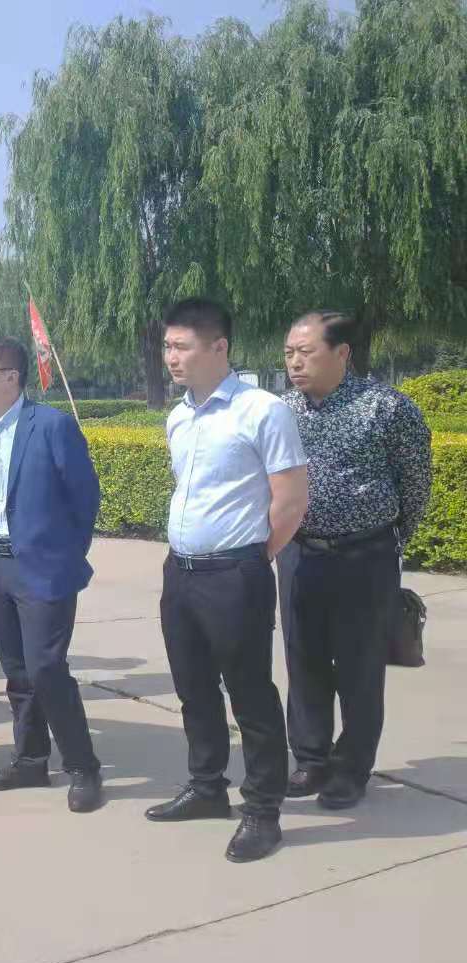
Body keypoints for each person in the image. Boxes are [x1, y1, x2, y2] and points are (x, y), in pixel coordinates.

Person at [148, 298, 309, 863]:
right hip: (181, 572)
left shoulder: (262, 411)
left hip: (235, 573)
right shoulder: (179, 415)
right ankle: (207, 787)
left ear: (219, 347)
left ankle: (263, 810)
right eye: (167, 346)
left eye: (182, 346)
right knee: (193, 688)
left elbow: (291, 500)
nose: (171, 357)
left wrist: (251, 559)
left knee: (250, 694)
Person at [277, 311, 432, 809]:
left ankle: (351, 768)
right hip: (300, 553)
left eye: (306, 352)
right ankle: (310, 759)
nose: (295, 362)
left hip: (365, 556)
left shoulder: (387, 408)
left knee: (360, 666)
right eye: (289, 353)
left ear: (342, 353)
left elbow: (415, 484)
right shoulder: (281, 411)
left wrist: (389, 540)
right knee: (303, 659)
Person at [0, 338, 105, 812]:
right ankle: (30, 759)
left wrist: (64, 556)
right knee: (17, 670)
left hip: (42, 568)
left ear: (10, 377)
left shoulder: (51, 425)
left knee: (47, 667)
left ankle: (83, 766)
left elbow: (85, 498)